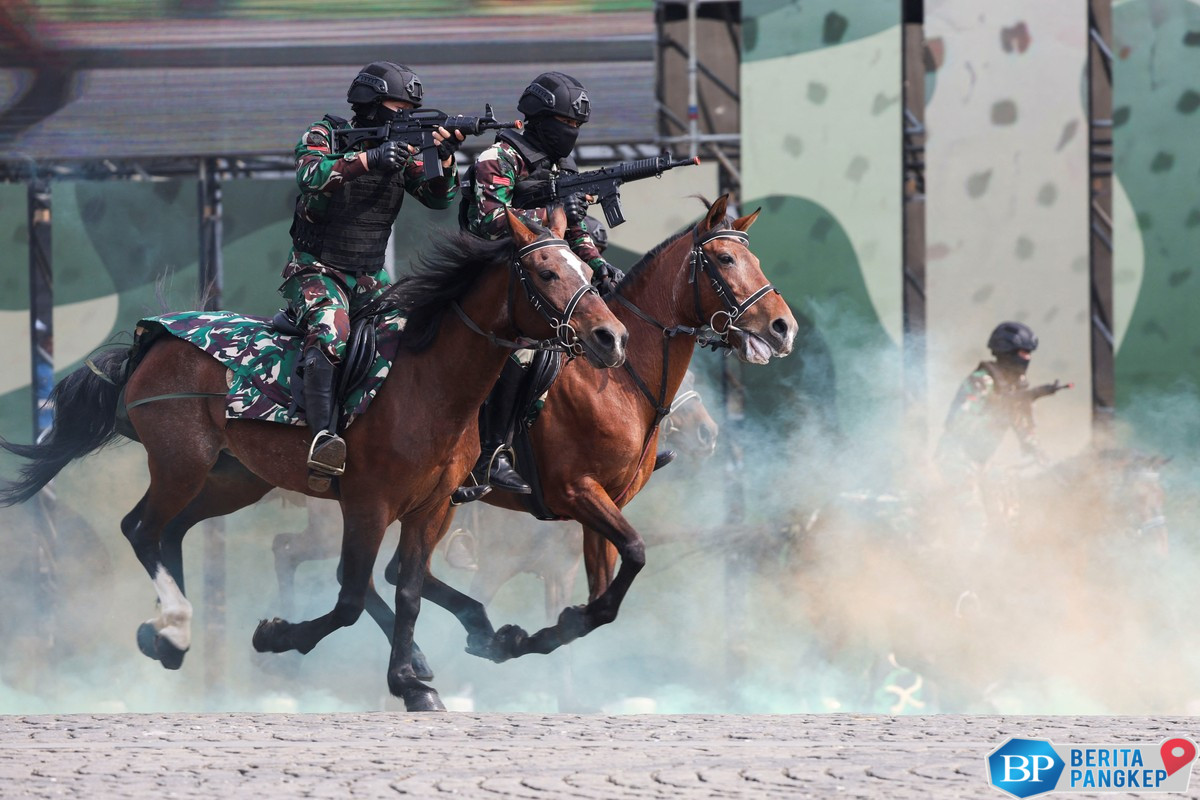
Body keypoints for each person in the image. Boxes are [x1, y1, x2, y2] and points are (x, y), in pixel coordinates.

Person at [281, 61, 464, 491]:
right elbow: (311, 176)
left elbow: (440, 199)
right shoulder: (323, 134)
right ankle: (323, 441)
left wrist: (445, 154)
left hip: (369, 276)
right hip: (316, 269)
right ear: (369, 102)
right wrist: (369, 158)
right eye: (396, 105)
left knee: (421, 333)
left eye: (410, 108)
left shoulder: (406, 150)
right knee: (331, 333)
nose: (403, 115)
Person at [452, 72, 623, 503]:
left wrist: (598, 264)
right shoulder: (501, 156)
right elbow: (486, 220)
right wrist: (542, 216)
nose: (572, 134)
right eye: (566, 124)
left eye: (578, 127)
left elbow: (578, 234)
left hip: (541, 282)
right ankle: (490, 454)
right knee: (525, 351)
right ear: (540, 119)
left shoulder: (563, 167)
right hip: (488, 280)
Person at [934, 321, 1061, 543]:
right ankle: (962, 568)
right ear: (1006, 352)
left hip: (982, 460)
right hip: (957, 458)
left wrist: (1036, 451)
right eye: (1023, 352)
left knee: (1007, 515)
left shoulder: (1017, 385)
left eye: (1030, 353)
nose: (1027, 358)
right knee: (975, 520)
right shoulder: (981, 381)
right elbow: (957, 423)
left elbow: (1023, 424)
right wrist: (999, 405)